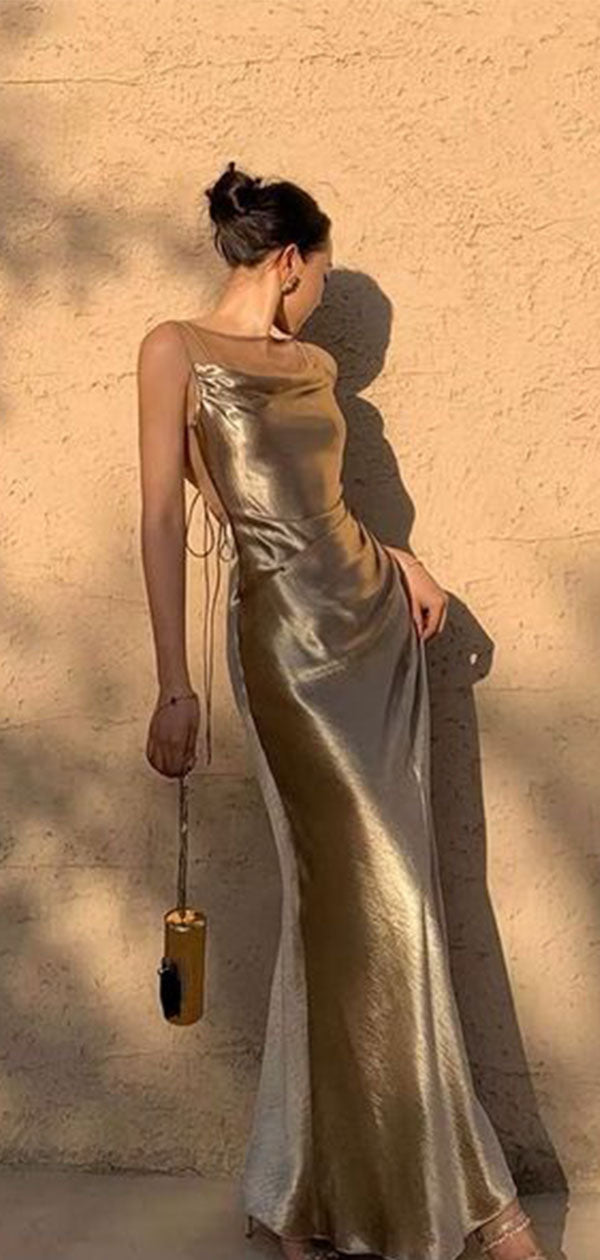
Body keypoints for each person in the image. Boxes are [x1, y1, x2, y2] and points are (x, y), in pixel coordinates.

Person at [136, 160, 547, 1260]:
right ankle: (476, 1203)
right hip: (284, 647)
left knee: (374, 907)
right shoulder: (174, 349)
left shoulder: (314, 368)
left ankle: (298, 1190)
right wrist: (174, 683)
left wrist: (401, 558)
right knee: (374, 895)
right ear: (288, 261)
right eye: (319, 274)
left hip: (372, 633)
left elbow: (321, 506)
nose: (320, 299)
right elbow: (162, 518)